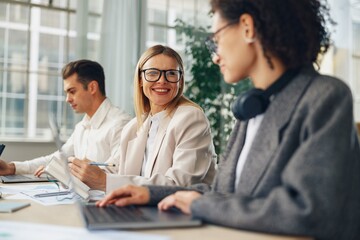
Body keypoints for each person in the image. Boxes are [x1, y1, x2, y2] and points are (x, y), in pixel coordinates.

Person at [96, 1, 360, 239]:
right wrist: (151, 194)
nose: (215, 55)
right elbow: (223, 192)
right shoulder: (254, 106)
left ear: (247, 27)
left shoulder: (325, 97)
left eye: (217, 38)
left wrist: (198, 205)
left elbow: (307, 211)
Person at [68, 45, 217, 192]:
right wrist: (86, 171)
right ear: (140, 79)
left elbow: (179, 184)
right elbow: (114, 170)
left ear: (180, 80)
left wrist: (104, 181)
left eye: (171, 73)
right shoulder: (134, 127)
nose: (162, 81)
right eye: (152, 73)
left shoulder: (191, 117)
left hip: (179, 214)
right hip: (141, 210)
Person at [0, 59, 131, 176]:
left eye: (72, 91)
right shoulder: (82, 127)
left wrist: (63, 170)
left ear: (92, 87)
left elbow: (118, 173)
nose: (67, 99)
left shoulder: (120, 124)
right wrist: (12, 168)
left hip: (103, 201)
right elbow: (58, 159)